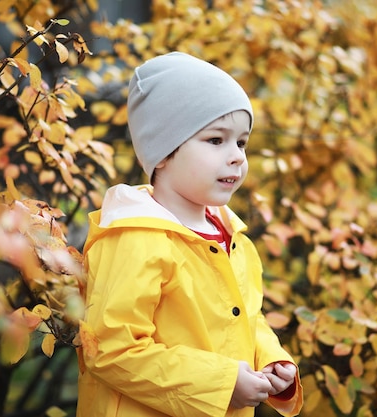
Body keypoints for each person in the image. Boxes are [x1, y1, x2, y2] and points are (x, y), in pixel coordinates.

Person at [76, 52, 303, 417]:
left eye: (241, 143)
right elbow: (111, 349)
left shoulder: (231, 238)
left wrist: (272, 360)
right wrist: (222, 384)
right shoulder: (136, 238)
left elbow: (246, 319)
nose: (236, 157)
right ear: (163, 152)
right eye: (216, 140)